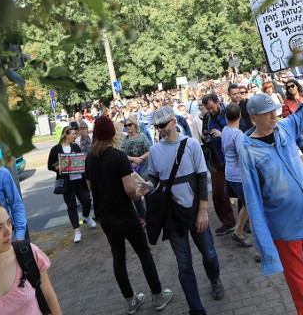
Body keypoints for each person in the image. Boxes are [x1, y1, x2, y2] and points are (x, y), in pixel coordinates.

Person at [241, 88, 303, 315]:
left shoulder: (285, 128)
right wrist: (263, 243)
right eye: (267, 113)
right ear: (253, 118)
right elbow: (253, 201)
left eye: (274, 111)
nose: (274, 116)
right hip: (285, 232)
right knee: (302, 297)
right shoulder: (248, 152)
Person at [85, 116, 174, 314]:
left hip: (105, 216)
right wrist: (138, 193)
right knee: (143, 252)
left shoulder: (90, 158)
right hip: (124, 213)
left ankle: (130, 300)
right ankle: (158, 295)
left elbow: (90, 186)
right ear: (111, 134)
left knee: (118, 256)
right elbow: (128, 189)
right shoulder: (118, 156)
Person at [148, 105, 223, 315]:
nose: (161, 129)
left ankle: (215, 279)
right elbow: (153, 176)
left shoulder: (191, 144)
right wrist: (146, 185)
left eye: (163, 124)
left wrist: (203, 210)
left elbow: (201, 176)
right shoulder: (155, 150)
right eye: (157, 126)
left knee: (208, 253)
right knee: (184, 264)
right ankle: (196, 309)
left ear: (173, 122)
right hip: (172, 215)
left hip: (194, 210)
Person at [47, 125, 96, 243]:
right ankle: (77, 231)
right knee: (71, 205)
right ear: (66, 135)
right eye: (73, 134)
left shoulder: (75, 146)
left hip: (79, 179)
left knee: (86, 200)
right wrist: (60, 167)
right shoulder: (56, 149)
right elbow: (50, 165)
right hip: (67, 183)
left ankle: (86, 215)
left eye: (75, 134)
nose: (75, 136)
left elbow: (80, 161)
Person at [201, 93, 237, 236]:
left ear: (218, 101)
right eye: (207, 109)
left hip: (233, 159)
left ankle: (246, 221)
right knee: (218, 193)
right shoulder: (208, 117)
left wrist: (224, 135)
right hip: (216, 160)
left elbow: (240, 132)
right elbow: (206, 133)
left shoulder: (230, 112)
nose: (210, 111)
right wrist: (205, 137)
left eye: (211, 108)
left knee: (241, 192)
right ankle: (228, 223)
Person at [220, 103, 254, 247]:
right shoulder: (237, 134)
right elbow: (243, 156)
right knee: (251, 204)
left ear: (226, 116)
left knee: (248, 204)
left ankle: (239, 231)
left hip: (230, 172)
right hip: (239, 175)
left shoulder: (225, 129)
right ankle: (242, 232)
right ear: (240, 115)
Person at [121, 118, 152, 223]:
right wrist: (134, 159)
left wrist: (141, 158)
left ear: (135, 125)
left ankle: (151, 214)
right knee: (136, 193)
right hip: (132, 172)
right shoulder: (125, 140)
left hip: (144, 170)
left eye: (129, 125)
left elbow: (149, 150)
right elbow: (122, 155)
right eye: (126, 125)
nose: (127, 127)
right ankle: (142, 216)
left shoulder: (142, 137)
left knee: (148, 192)